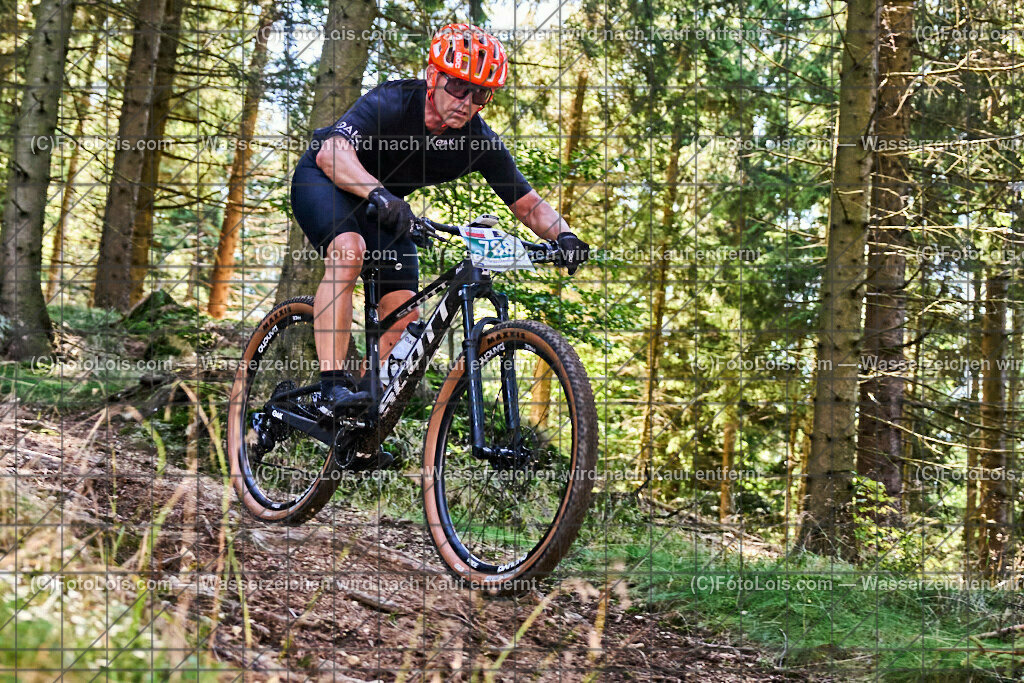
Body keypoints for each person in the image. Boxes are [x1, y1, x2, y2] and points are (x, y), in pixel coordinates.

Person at [291, 23, 589, 421]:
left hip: (385, 209)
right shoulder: (394, 102)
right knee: (349, 250)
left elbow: (529, 204)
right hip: (326, 181)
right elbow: (332, 153)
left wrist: (564, 234)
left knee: (404, 320)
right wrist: (380, 194)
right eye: (459, 87)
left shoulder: (477, 141)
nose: (467, 101)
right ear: (433, 76)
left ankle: (356, 413)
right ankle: (331, 388)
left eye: (480, 93)